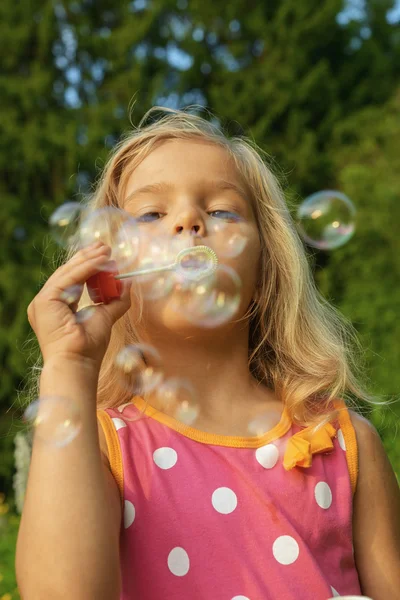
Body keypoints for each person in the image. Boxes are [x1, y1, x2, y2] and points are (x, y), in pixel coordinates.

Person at [16, 106, 400, 600]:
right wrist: (68, 365)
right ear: (112, 275)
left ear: (266, 272)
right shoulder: (102, 448)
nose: (189, 221)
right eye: (151, 214)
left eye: (221, 210)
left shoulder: (346, 444)